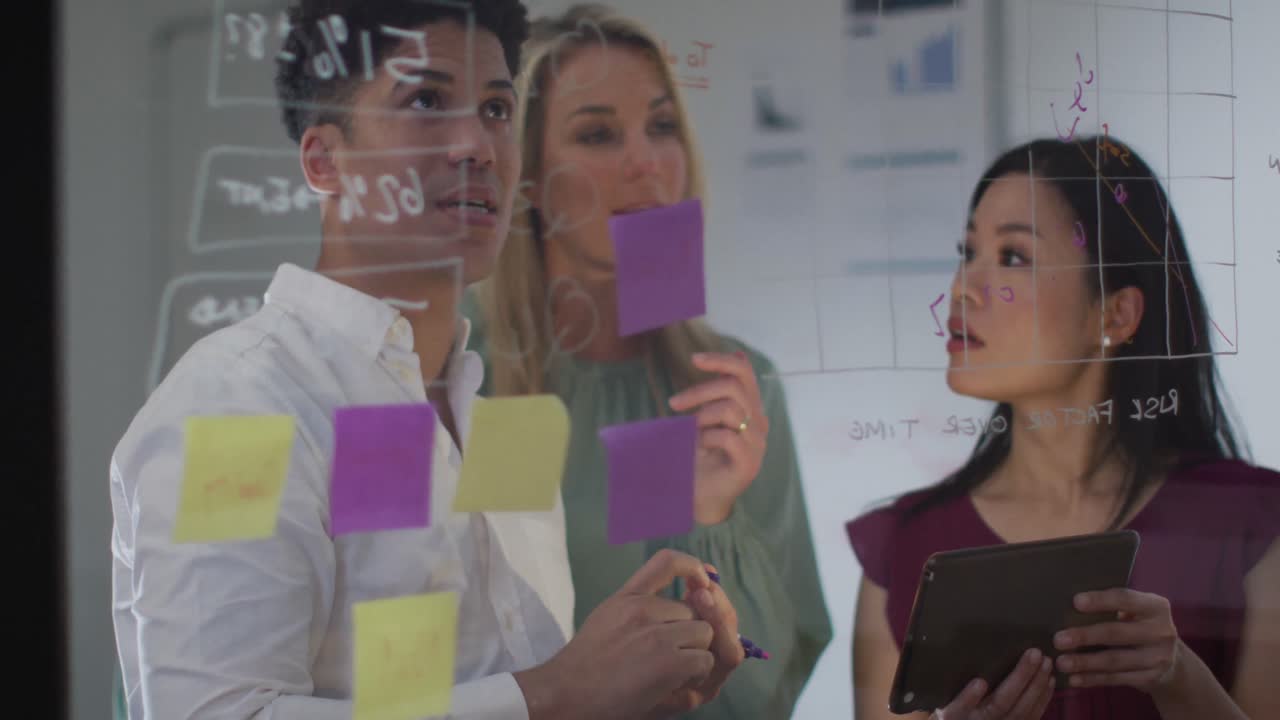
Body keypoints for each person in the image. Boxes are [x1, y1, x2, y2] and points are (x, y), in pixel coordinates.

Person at [108, 1, 746, 718]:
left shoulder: (503, 423)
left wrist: (631, 697)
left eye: (498, 109)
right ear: (325, 161)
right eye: (426, 101)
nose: (476, 143)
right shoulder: (240, 407)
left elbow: (501, 690)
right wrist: (556, 694)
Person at [461, 4, 832, 717]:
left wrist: (712, 514)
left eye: (662, 127)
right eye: (598, 134)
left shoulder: (723, 387)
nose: (646, 162)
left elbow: (764, 686)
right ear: (527, 176)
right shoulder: (454, 368)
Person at [845, 136, 1280, 720]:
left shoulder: (1252, 523)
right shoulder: (902, 547)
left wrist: (1179, 681)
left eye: (1013, 257)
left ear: (1116, 313)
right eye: (967, 251)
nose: (962, 287)